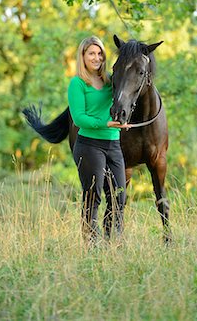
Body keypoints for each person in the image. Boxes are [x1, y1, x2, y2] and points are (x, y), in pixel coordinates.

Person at [68, 36, 130, 244]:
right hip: (89, 145)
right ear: (83, 57)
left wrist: (124, 121)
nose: (96, 58)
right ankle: (91, 245)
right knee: (93, 197)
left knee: (119, 197)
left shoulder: (111, 80)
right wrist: (106, 123)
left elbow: (125, 98)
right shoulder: (77, 83)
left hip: (113, 145)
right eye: (91, 53)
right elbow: (79, 118)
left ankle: (111, 241)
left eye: (99, 53)